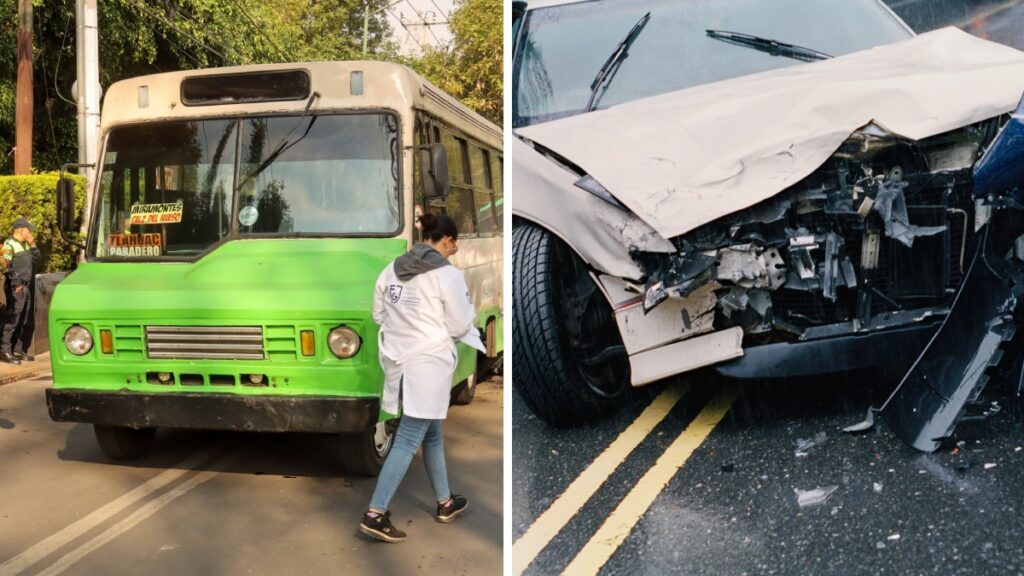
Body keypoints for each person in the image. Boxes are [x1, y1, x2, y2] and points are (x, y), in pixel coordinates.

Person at [359, 213, 477, 543]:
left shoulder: (391, 269)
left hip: (399, 362)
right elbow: (459, 325)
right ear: (448, 241)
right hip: (428, 364)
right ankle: (375, 513)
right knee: (410, 437)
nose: (454, 251)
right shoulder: (447, 276)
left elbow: (378, 314)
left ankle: (445, 502)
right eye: (455, 245)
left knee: (432, 432)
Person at [1, 217, 39, 364]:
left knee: (22, 319)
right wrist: (16, 284)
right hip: (16, 287)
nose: (30, 233)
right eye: (28, 230)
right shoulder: (9, 244)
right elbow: (6, 266)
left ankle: (17, 349)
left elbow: (37, 258)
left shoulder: (25, 244)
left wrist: (33, 244)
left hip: (26, 286)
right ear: (22, 230)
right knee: (12, 319)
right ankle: (5, 351)